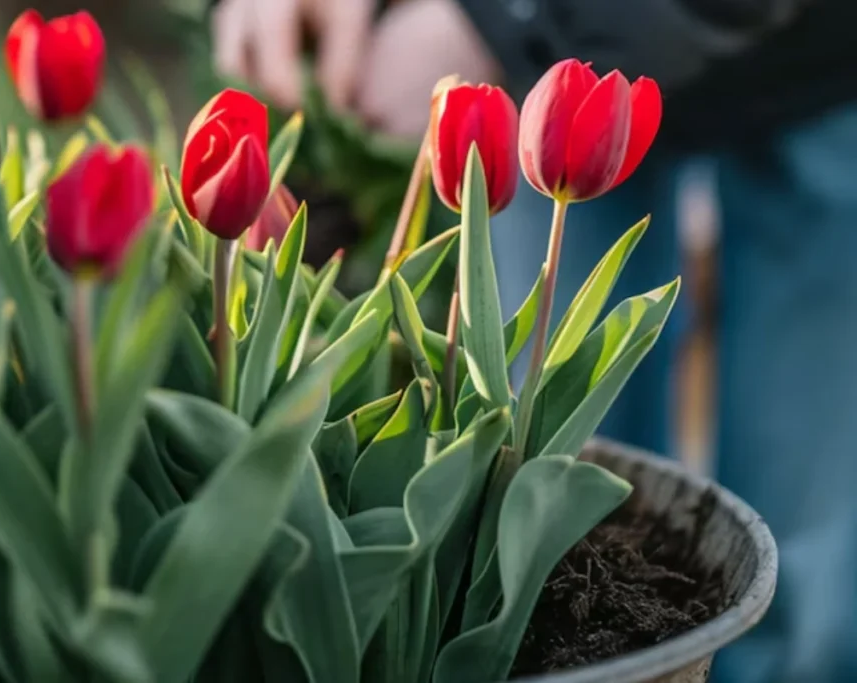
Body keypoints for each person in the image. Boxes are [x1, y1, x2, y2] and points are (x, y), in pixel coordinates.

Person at [210, 1, 857, 681]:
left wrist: (493, 22)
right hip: (554, 54)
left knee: (796, 561)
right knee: (555, 490)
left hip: (810, 58)